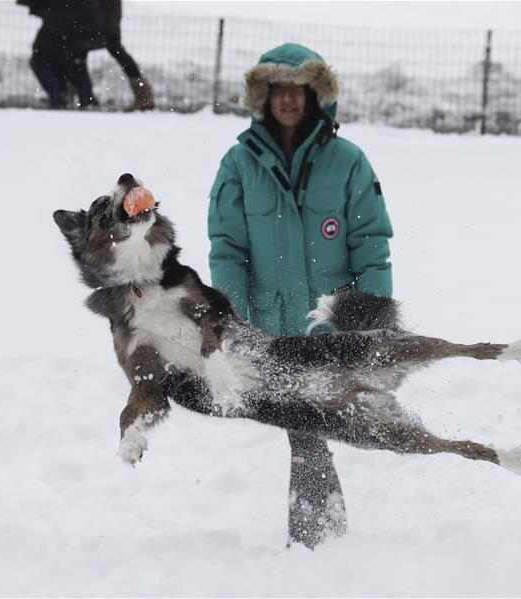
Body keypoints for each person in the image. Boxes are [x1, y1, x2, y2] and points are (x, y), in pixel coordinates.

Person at [207, 43, 393, 549]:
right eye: (278, 91)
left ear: (316, 96)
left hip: (329, 330)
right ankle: (321, 539)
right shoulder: (238, 164)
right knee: (307, 432)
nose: (288, 100)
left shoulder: (348, 162)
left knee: (311, 431)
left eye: (298, 90)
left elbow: (371, 249)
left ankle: (318, 541)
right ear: (263, 97)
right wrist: (236, 322)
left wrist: (370, 323)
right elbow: (227, 251)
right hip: (270, 331)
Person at [22, 0, 105, 109]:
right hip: (75, 29)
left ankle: (61, 97)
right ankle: (81, 98)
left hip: (61, 27)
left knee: (40, 62)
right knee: (70, 64)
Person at [97, 0, 155, 111]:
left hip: (103, 21)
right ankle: (143, 93)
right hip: (104, 21)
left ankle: (143, 93)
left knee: (78, 54)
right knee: (115, 50)